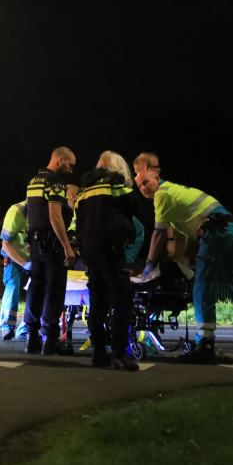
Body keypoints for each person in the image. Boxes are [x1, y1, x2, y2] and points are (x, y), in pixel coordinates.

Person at [136, 168, 233, 366]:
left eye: (146, 182)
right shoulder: (176, 192)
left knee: (202, 290)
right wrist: (179, 260)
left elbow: (158, 234)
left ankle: (205, 345)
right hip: (230, 231)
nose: (142, 188)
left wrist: (148, 267)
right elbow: (180, 235)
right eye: (139, 186)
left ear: (157, 178)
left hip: (214, 234)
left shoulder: (162, 194)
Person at [75, 151, 140, 371]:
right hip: (111, 249)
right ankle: (120, 354)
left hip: (89, 252)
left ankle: (99, 353)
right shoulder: (114, 183)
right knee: (122, 302)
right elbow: (135, 203)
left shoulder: (84, 190)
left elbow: (78, 221)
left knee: (98, 303)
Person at [23, 147, 77, 355]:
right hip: (52, 245)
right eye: (69, 165)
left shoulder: (33, 182)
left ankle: (32, 338)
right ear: (59, 159)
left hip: (35, 244)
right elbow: (55, 217)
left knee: (35, 291)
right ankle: (51, 340)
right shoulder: (55, 184)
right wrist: (67, 247)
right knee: (54, 291)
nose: (71, 170)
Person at [0, 200, 30, 341]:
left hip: (33, 257)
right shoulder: (15, 212)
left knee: (37, 291)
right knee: (12, 286)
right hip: (14, 256)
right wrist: (22, 263)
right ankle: (7, 327)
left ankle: (26, 327)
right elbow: (6, 243)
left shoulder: (43, 209)